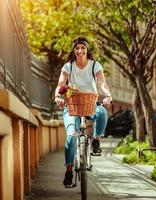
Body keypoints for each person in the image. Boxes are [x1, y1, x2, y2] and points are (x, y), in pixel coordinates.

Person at [54, 36, 112, 188]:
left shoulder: (94, 65)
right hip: (72, 105)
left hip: (90, 103)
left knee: (102, 113)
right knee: (71, 135)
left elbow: (101, 82)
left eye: (83, 48)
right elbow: (61, 83)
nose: (80, 51)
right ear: (74, 51)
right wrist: (58, 96)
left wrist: (107, 95)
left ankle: (96, 140)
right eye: (77, 48)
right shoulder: (69, 66)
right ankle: (68, 172)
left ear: (87, 50)